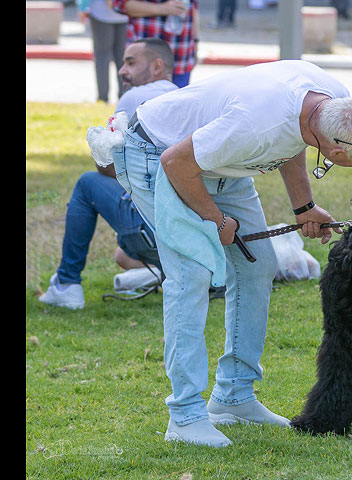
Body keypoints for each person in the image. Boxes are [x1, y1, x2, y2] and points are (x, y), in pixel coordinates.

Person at [112, 59, 352, 447]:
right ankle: (185, 416)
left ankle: (234, 396)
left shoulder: (332, 103)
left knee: (259, 265)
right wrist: (215, 220)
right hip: (158, 153)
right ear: (335, 149)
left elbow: (295, 136)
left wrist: (304, 207)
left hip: (217, 157)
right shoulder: (255, 125)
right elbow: (176, 162)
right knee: (191, 277)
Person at [38, 38, 178, 310]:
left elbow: (111, 165)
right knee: (121, 255)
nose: (122, 70)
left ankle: (66, 283)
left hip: (155, 226)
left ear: (157, 66)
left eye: (131, 62)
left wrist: (99, 151)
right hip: (194, 230)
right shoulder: (184, 94)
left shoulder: (136, 97)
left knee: (88, 184)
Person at [111, 0, 200, 88]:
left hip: (181, 54)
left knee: (178, 100)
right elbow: (121, 5)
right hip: (144, 58)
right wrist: (163, 8)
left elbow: (193, 8)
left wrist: (195, 43)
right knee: (141, 100)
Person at [75, 0, 129, 102]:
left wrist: (82, 8)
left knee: (106, 58)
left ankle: (106, 98)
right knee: (120, 58)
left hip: (112, 14)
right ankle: (117, 97)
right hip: (117, 14)